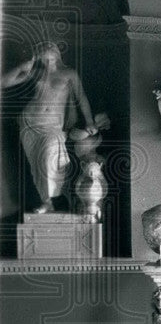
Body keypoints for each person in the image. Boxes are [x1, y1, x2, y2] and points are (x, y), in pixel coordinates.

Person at [2, 42, 97, 213]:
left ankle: (51, 201)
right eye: (41, 51)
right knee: (38, 168)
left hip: (52, 127)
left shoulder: (68, 74)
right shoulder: (35, 73)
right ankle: (47, 201)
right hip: (30, 124)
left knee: (49, 161)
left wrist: (89, 121)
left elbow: (81, 98)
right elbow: (3, 82)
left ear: (56, 53)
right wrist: (23, 67)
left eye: (49, 48)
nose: (45, 52)